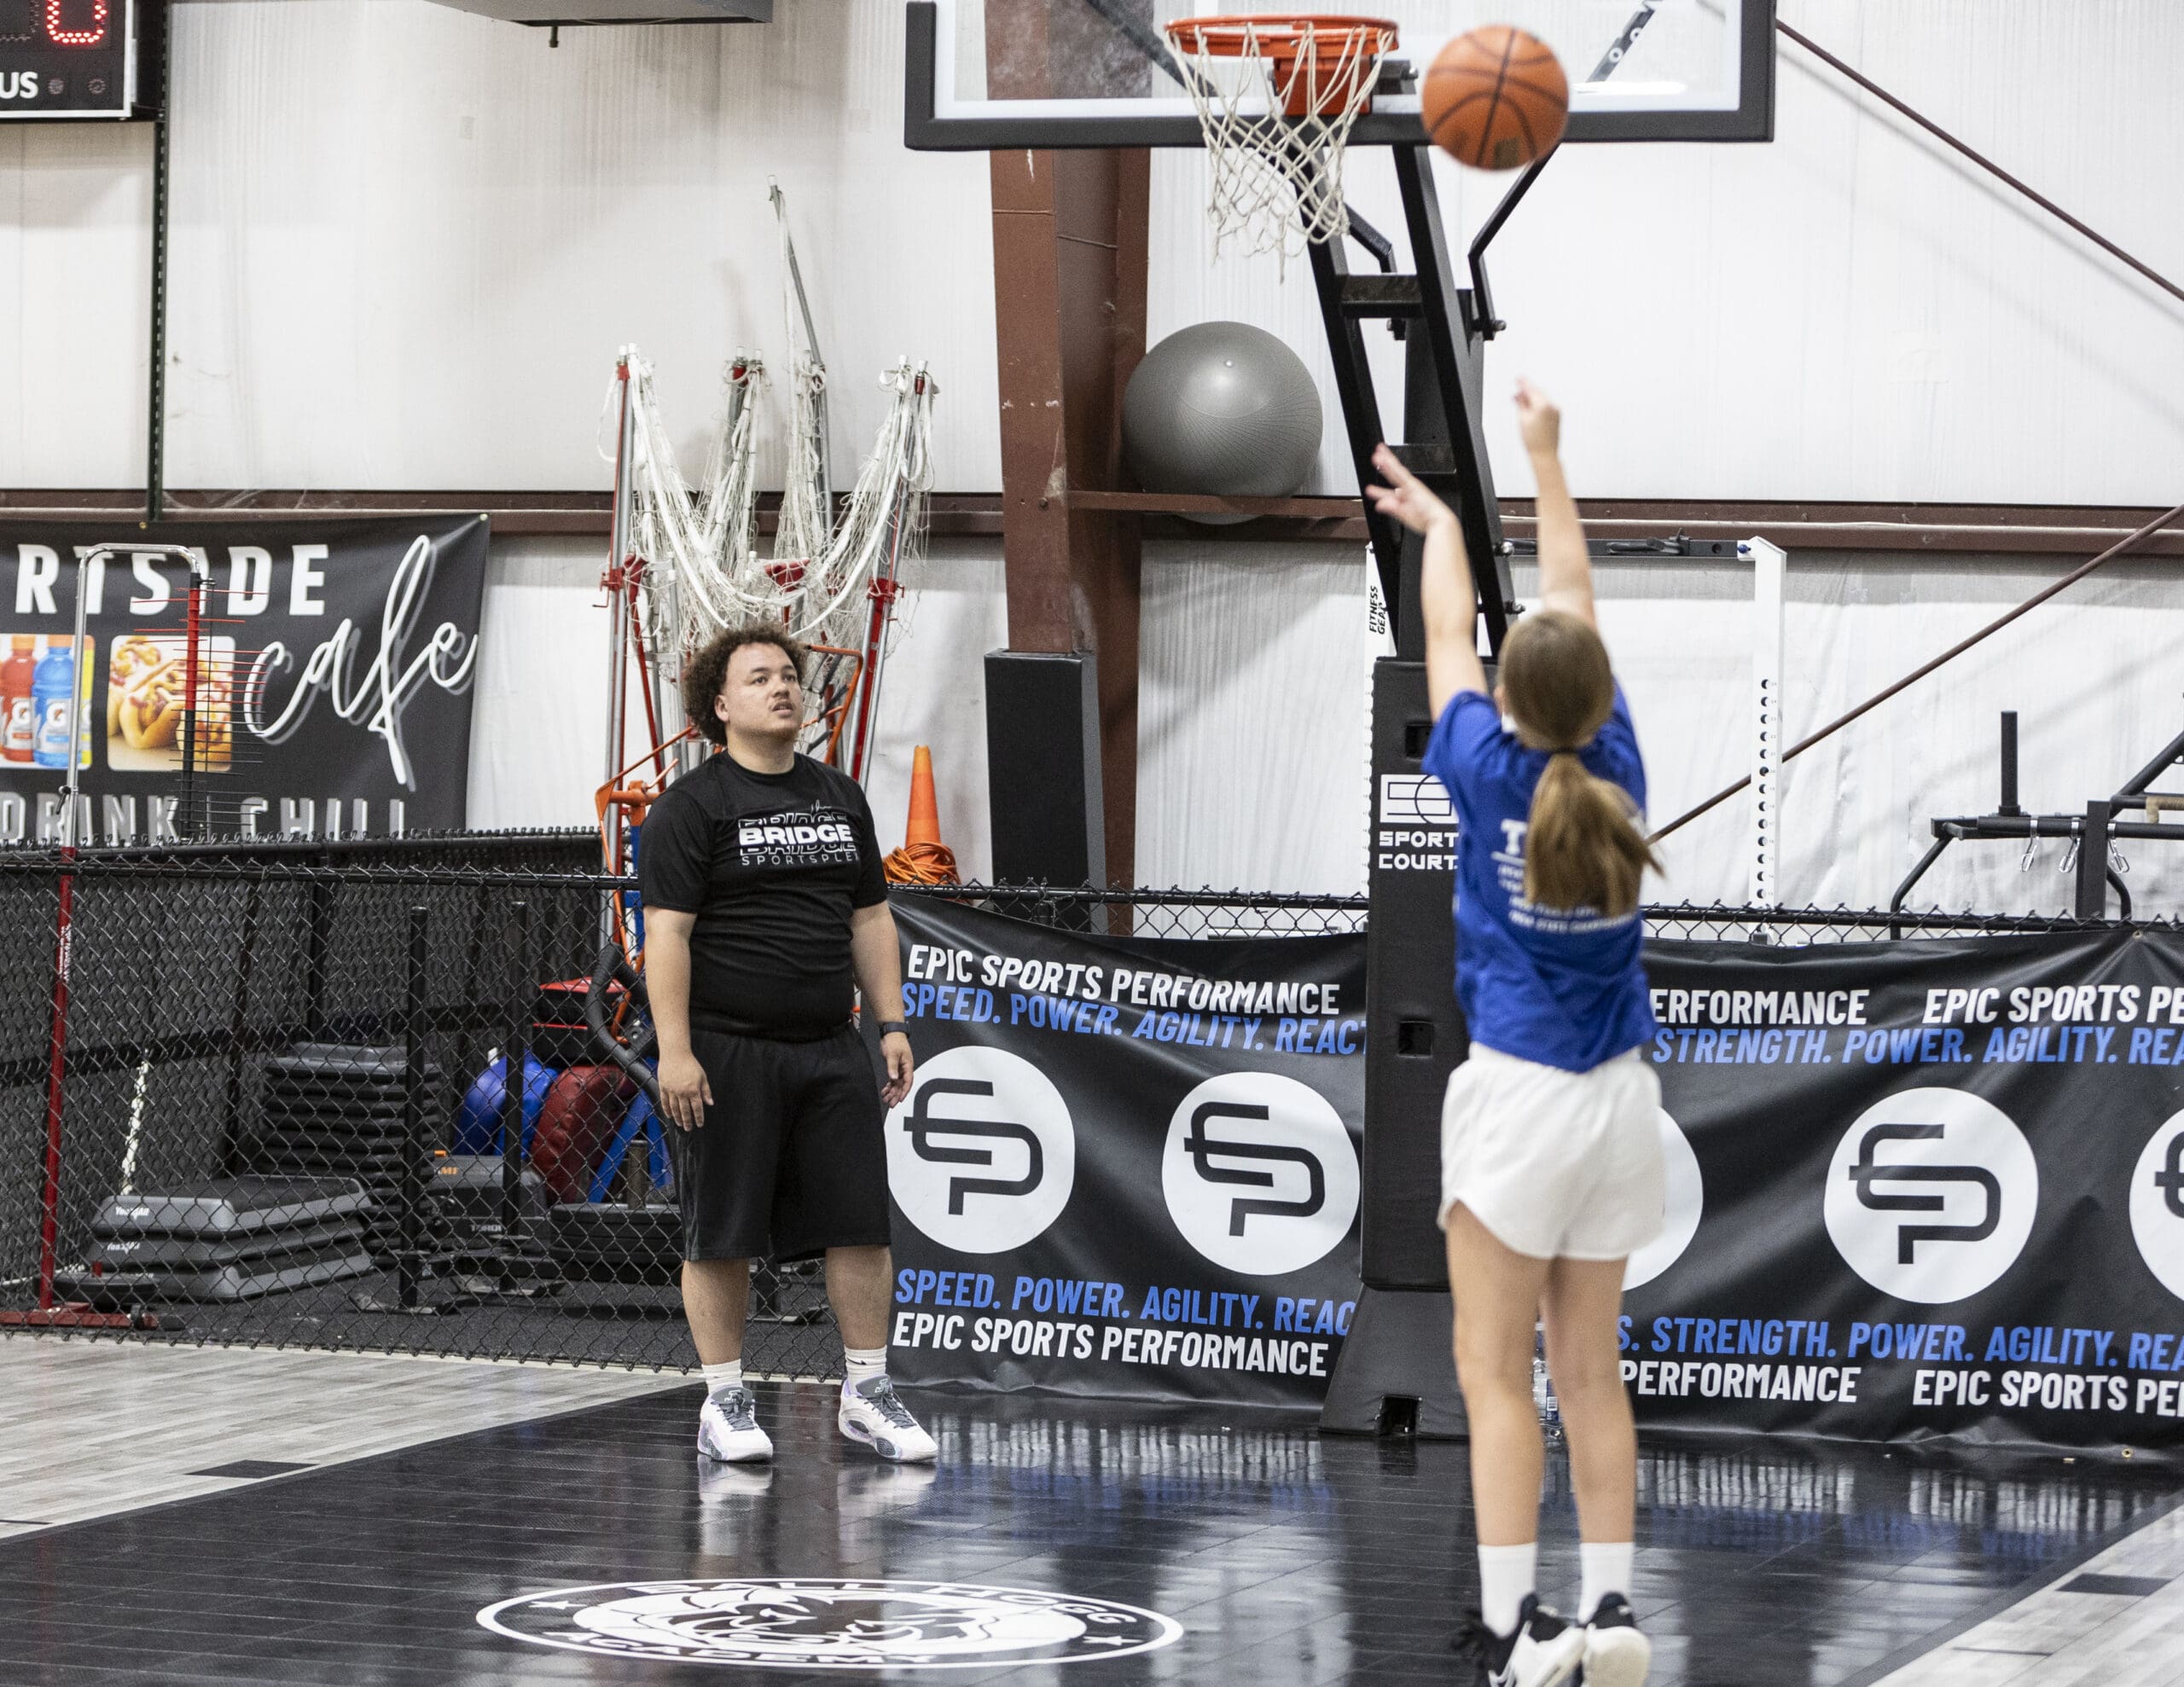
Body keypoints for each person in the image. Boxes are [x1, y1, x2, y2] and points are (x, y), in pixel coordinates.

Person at [1366, 381, 1662, 1687]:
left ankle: (1517, 1629)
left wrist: (1438, 526)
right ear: (1598, 691)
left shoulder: (1481, 759)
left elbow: (1442, 632)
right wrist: (1547, 457)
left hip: (1524, 1099)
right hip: (1620, 1100)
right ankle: (1612, 1611)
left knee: (1493, 1376)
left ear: (1510, 691)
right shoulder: (1622, 766)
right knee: (1590, 1371)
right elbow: (1575, 589)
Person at [639, 623, 937, 1466]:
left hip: (828, 1045)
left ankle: (868, 1391)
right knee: (721, 1232)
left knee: (860, 1227)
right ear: (719, 706)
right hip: (726, 1052)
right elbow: (667, 935)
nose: (783, 689)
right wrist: (675, 1051)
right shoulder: (690, 810)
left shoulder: (840, 797)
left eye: (790, 677)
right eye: (761, 677)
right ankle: (724, 1399)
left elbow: (870, 918)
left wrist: (890, 1023)